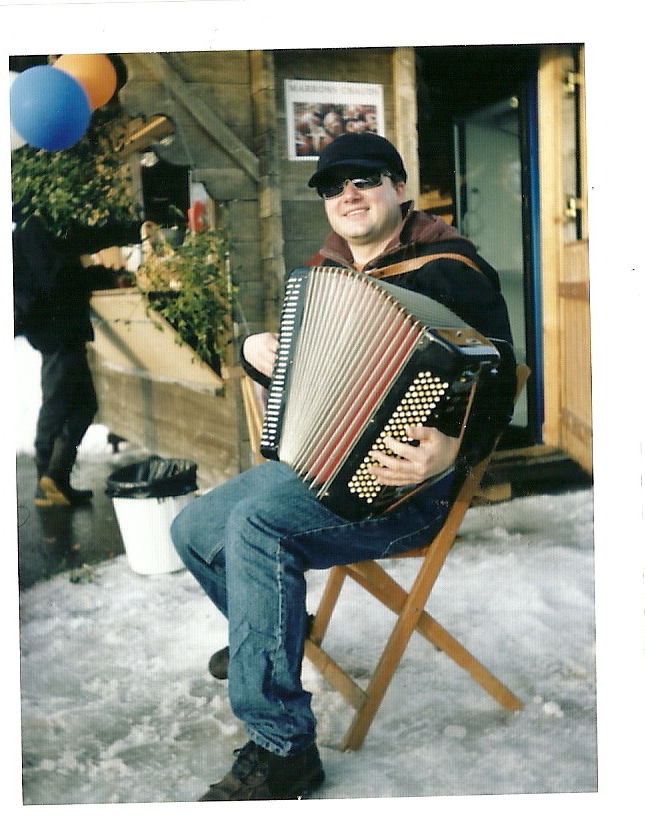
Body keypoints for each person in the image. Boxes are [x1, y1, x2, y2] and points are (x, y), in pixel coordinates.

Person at [170, 132, 516, 800]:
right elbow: (299, 368)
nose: (348, 195)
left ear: (398, 189)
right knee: (192, 528)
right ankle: (267, 633)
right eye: (334, 186)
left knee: (255, 528)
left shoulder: (451, 271)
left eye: (365, 180)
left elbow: (498, 375)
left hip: (399, 493)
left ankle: (282, 747)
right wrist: (253, 348)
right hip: (317, 468)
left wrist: (453, 448)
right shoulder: (326, 274)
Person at [12, 200, 153, 506]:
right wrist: (103, 276)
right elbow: (58, 277)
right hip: (56, 330)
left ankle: (54, 477)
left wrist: (134, 231)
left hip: (58, 329)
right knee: (59, 402)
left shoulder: (39, 223)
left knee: (82, 403)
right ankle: (47, 479)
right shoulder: (34, 227)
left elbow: (84, 239)